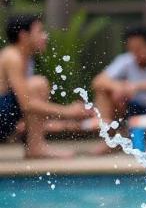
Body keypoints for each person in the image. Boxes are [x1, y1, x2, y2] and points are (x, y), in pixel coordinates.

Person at [0, 14, 92, 158]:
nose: (45, 36)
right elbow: (27, 104)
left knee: (37, 84)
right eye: (40, 31)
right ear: (24, 35)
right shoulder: (13, 57)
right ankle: (36, 148)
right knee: (38, 84)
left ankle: (35, 146)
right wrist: (67, 111)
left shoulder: (25, 58)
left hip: (6, 116)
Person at [92, 26, 146, 123]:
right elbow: (98, 81)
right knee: (103, 91)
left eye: (139, 48)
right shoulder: (126, 59)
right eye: (131, 49)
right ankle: (106, 134)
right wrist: (117, 87)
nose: (135, 53)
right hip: (132, 107)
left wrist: (136, 86)